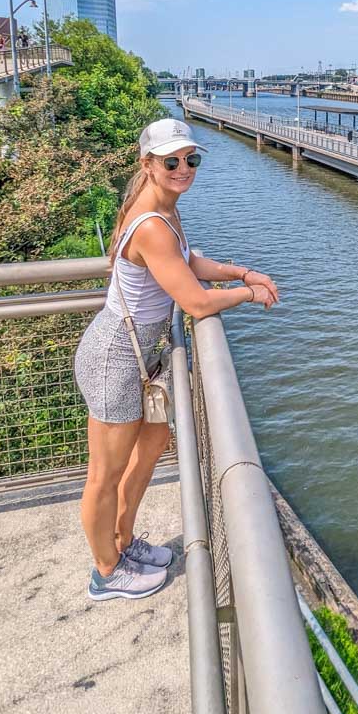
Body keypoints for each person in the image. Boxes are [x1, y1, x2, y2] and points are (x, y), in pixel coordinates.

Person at [75, 117, 279, 601]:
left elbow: (189, 264)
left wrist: (240, 270)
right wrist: (247, 294)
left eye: (191, 159)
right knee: (105, 474)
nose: (183, 168)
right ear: (147, 164)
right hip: (115, 358)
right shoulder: (150, 223)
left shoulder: (166, 208)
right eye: (171, 161)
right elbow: (196, 302)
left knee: (145, 456)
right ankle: (106, 571)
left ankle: (124, 543)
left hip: (139, 354)